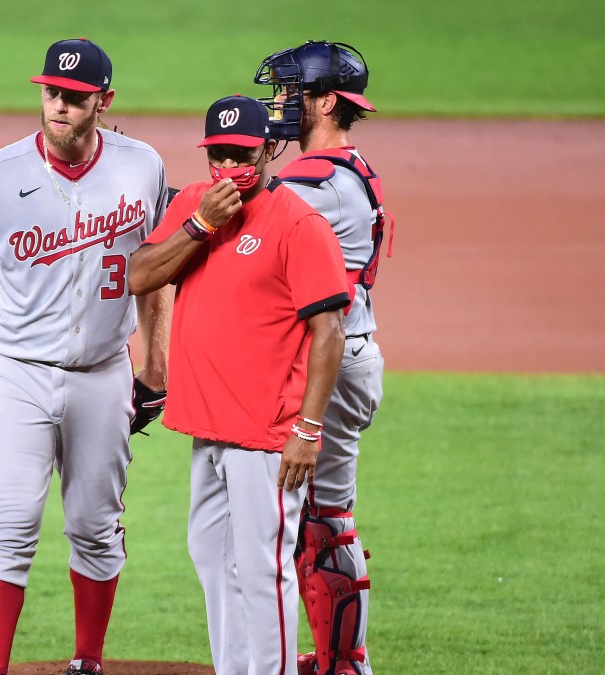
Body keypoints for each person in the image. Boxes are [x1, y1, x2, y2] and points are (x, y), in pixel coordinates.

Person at [0, 38, 173, 675]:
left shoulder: (143, 166)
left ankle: (88, 660)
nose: (60, 106)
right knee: (10, 524)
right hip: (16, 374)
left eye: (75, 97)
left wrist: (156, 367)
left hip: (104, 375)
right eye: (51, 93)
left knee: (96, 526)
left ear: (104, 101)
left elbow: (158, 274)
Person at [128, 94, 348, 675]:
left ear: (270, 148)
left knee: (261, 569)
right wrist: (202, 226)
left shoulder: (299, 224)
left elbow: (329, 332)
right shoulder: (197, 205)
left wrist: (308, 426)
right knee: (212, 559)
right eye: (218, 154)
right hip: (208, 426)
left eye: (241, 153)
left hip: (267, 435)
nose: (228, 166)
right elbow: (140, 275)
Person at [254, 40, 390, 675]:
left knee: (327, 521)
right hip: (343, 355)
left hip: (334, 363)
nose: (278, 104)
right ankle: (334, 655)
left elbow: (243, 230)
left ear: (327, 101)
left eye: (289, 92)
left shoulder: (320, 181)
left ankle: (348, 663)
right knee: (314, 519)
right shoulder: (348, 167)